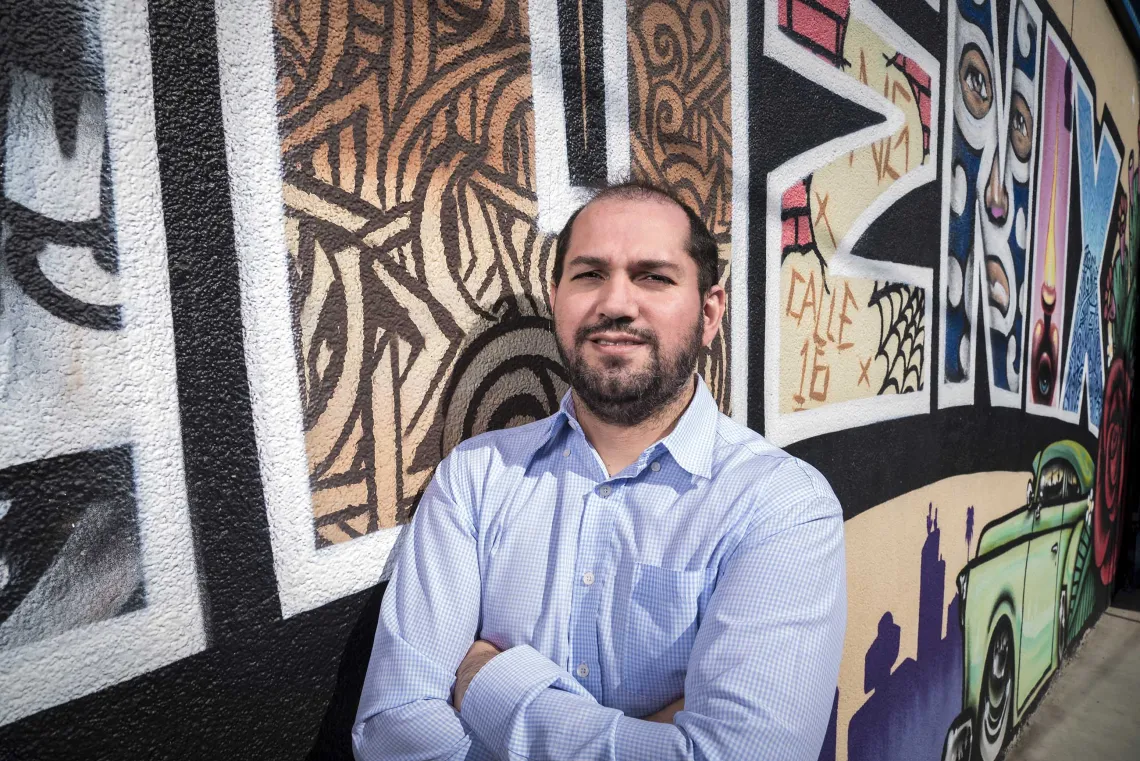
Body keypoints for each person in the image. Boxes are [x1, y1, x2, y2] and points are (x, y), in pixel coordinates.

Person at [352, 181, 846, 761]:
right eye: (589, 275)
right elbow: (391, 732)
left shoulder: (780, 506)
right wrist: (655, 736)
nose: (615, 303)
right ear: (556, 298)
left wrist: (485, 681)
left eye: (653, 277)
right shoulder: (475, 480)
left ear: (709, 313)